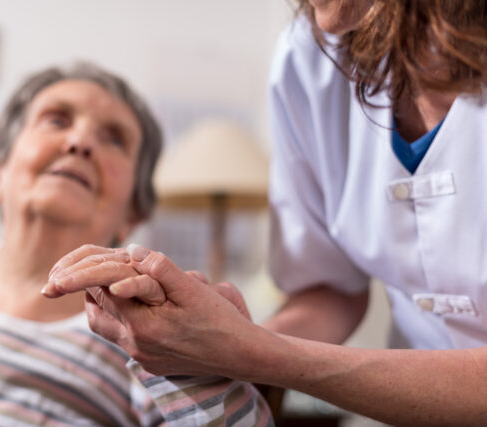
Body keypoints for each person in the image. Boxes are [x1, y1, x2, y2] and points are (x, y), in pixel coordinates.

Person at [42, 1, 487, 425]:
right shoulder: (308, 58)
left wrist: (247, 350)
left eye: (115, 139)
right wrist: (218, 338)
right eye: (55, 120)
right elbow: (327, 290)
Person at [0, 63, 272, 426]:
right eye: (57, 120)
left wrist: (203, 361)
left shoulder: (146, 327)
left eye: (114, 138)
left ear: (133, 214)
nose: (80, 142)